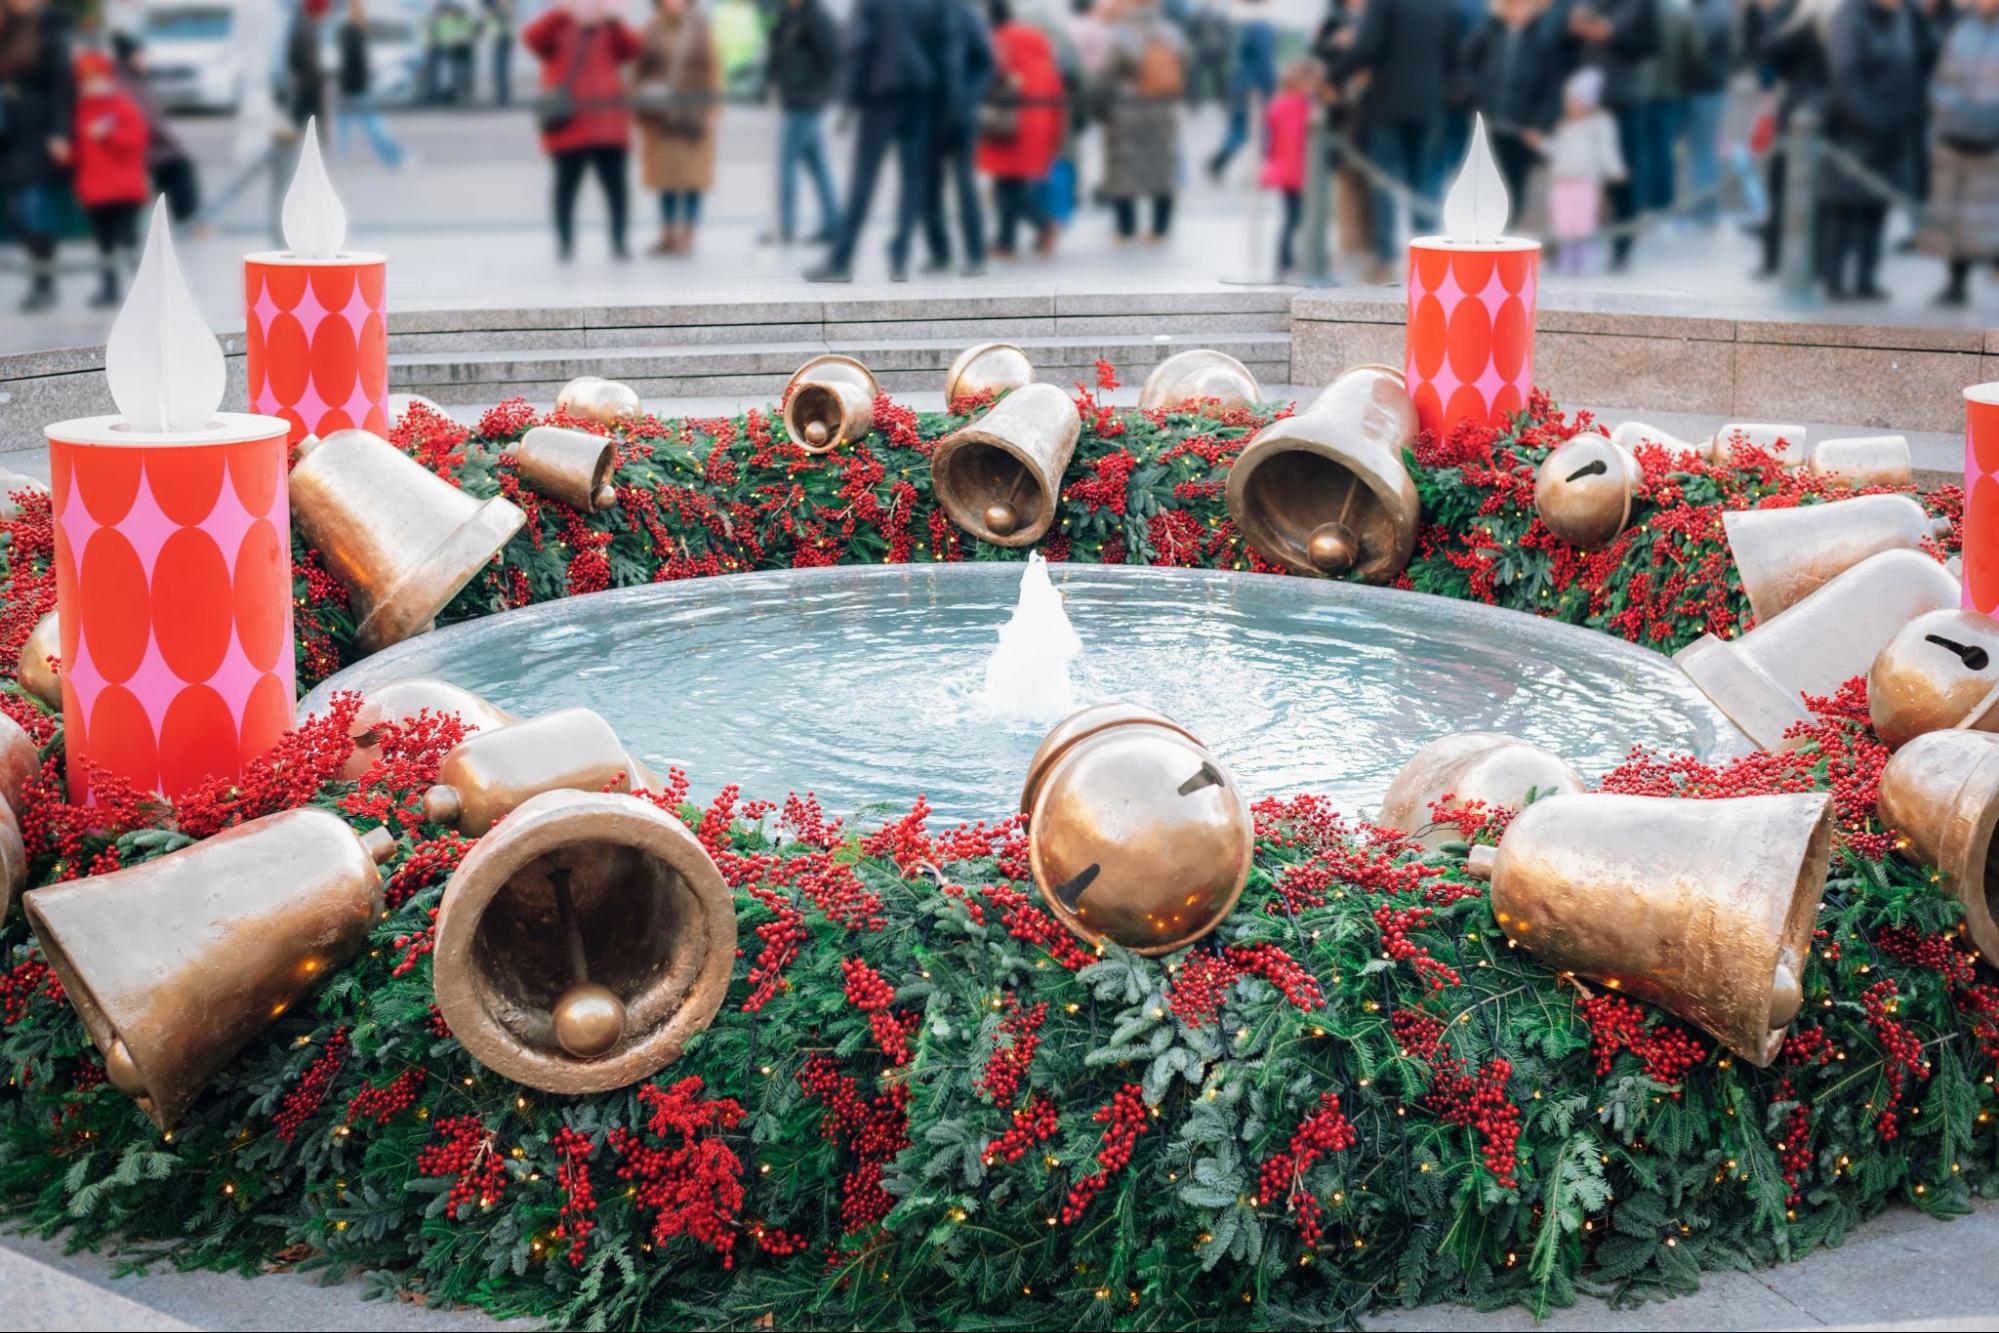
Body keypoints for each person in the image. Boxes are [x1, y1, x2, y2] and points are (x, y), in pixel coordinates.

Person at [805, 0, 952, 283]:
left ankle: (841, 259)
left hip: (881, 94)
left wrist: (848, 102)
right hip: (921, 92)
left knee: (864, 177)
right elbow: (943, 47)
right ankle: (900, 256)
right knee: (913, 180)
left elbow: (858, 48)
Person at [1326, 0, 1457, 277]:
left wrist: (1333, 75)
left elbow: (1367, 47)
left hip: (1387, 102)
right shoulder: (1441, 6)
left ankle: (1386, 254)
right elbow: (1452, 56)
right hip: (1427, 104)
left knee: (1384, 179)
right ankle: (1427, 251)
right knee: (1421, 177)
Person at [1820, 0, 1932, 300]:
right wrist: (1874, 121)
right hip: (1856, 131)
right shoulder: (1849, 17)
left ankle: (1865, 280)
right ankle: (1833, 280)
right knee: (1845, 207)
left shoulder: (1901, 18)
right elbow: (1845, 79)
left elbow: (1913, 65)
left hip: (1892, 132)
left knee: (1876, 208)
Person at [524, 0, 643, 261]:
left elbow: (633, 48)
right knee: (566, 188)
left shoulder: (609, 28)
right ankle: (565, 243)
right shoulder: (558, 26)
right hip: (569, 125)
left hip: (608, 126)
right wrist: (560, 13)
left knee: (616, 189)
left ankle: (619, 242)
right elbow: (532, 39)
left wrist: (614, 20)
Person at [1568, 0, 1660, 269]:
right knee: (1578, 175)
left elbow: (1651, 44)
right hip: (1580, 100)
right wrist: (1575, 29)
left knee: (1621, 174)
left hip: (1623, 100)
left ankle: (1622, 245)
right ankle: (1576, 245)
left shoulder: (1643, 6)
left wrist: (1613, 36)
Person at [1918, 0, 1999, 303]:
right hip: (1957, 137)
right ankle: (1956, 282)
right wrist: (1951, 109)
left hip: (1995, 141)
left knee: (1993, 212)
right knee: (1957, 214)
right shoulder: (1962, 31)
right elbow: (1941, 80)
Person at [1460, 0, 1570, 215]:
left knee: (1515, 181)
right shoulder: (1489, 32)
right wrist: (1476, 94)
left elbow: (1551, 88)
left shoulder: (1542, 40)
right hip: (1489, 120)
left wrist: (1540, 124)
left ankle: (1511, 223)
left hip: (1522, 126)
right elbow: (1466, 64)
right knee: (1485, 176)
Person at [1751, 0, 1834, 277]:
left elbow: (1770, 48)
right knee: (1785, 187)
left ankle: (1786, 260)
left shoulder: (1810, 17)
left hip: (1811, 108)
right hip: (1814, 108)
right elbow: (1769, 50)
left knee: (1803, 190)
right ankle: (1783, 259)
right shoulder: (1801, 14)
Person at [0, 0, 74, 312]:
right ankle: (39, 277)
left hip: (36, 134)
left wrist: (60, 133)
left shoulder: (49, 29)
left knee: (33, 207)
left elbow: (62, 87)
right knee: (17, 209)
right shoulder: (6, 26)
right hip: (8, 135)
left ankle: (43, 282)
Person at [980, 0, 1066, 257]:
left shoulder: (998, 42)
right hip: (1042, 115)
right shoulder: (1036, 40)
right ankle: (1006, 242)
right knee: (1011, 181)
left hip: (1011, 118)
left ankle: (1044, 225)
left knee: (1007, 185)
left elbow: (990, 77)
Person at [636, 0, 721, 255]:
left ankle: (688, 234)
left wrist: (713, 110)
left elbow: (713, 69)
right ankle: (667, 234)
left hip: (693, 115)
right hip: (662, 117)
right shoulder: (650, 29)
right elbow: (638, 71)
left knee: (693, 177)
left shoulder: (700, 28)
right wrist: (641, 107)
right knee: (666, 178)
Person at [1097, 0, 1185, 244]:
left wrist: (1099, 107)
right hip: (1162, 111)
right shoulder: (1171, 33)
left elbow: (1107, 74)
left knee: (1122, 171)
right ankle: (1160, 229)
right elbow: (1184, 65)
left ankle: (1126, 229)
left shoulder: (1121, 34)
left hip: (1126, 112)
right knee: (1162, 170)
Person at [921, 0, 995, 275]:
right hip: (927, 117)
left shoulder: (966, 15)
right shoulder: (920, 14)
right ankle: (939, 252)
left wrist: (967, 98)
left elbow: (985, 63)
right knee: (929, 186)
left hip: (962, 117)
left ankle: (975, 254)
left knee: (965, 184)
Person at [70, 50, 148, 309]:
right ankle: (109, 288)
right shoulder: (82, 109)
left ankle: (144, 287)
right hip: (95, 189)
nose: (93, 86)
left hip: (123, 189)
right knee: (104, 244)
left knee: (128, 240)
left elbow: (136, 140)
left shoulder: (121, 105)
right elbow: (78, 149)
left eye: (97, 79)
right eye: (87, 81)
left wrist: (108, 135)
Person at [766, 0, 842, 245]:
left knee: (787, 162)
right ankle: (833, 223)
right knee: (816, 164)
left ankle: (786, 227)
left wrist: (819, 94)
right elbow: (777, 54)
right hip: (795, 100)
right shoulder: (787, 16)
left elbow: (832, 59)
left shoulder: (817, 17)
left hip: (807, 102)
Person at [110, 33, 201, 225]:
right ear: (129, 57)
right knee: (180, 166)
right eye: (140, 55)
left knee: (176, 167)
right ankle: (187, 221)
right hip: (143, 149)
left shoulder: (132, 80)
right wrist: (172, 142)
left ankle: (181, 220)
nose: (145, 60)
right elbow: (148, 121)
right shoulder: (127, 84)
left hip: (148, 147)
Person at [1547, 64, 1626, 272]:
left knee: (1583, 226)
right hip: (1562, 182)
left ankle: (1585, 265)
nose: (1569, 104)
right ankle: (1565, 264)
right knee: (1563, 226)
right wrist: (1539, 143)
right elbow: (1556, 150)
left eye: (1574, 100)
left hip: (1586, 183)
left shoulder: (1599, 124)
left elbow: (1606, 149)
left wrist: (1615, 169)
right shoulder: (1563, 126)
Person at [1675, 0, 1734, 226]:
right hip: (1704, 88)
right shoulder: (1706, 9)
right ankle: (1702, 211)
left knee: (1702, 153)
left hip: (1706, 89)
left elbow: (1694, 47)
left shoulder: (1713, 11)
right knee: (1700, 152)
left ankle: (1704, 213)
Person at [1206, 0, 1278, 179]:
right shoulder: (1261, 26)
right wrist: (1271, 88)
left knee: (1238, 127)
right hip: (1255, 87)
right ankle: (1263, 170)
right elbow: (1265, 62)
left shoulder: (1235, 24)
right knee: (1261, 129)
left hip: (1236, 82)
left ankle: (1219, 161)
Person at [1261, 57, 1315, 278]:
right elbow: (1296, 143)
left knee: (1292, 219)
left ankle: (1287, 260)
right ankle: (1287, 261)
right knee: (1295, 219)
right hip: (1296, 173)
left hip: (1285, 171)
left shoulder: (1279, 104)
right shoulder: (1298, 107)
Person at [337, 0, 408, 168]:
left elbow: (350, 63)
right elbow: (354, 62)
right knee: (373, 126)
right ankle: (394, 158)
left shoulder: (350, 31)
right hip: (356, 89)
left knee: (344, 127)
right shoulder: (353, 32)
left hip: (350, 88)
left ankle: (338, 160)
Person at [288, 0, 332, 131]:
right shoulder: (307, 28)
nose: (326, 16)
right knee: (307, 127)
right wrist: (320, 78)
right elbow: (307, 59)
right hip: (308, 86)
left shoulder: (304, 25)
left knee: (302, 126)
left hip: (305, 85)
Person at [485, 0, 515, 103]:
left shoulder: (506, 8)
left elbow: (506, 17)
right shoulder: (493, 8)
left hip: (503, 39)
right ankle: (500, 95)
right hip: (497, 40)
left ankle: (503, 96)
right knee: (498, 70)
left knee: (501, 69)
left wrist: (497, 9)